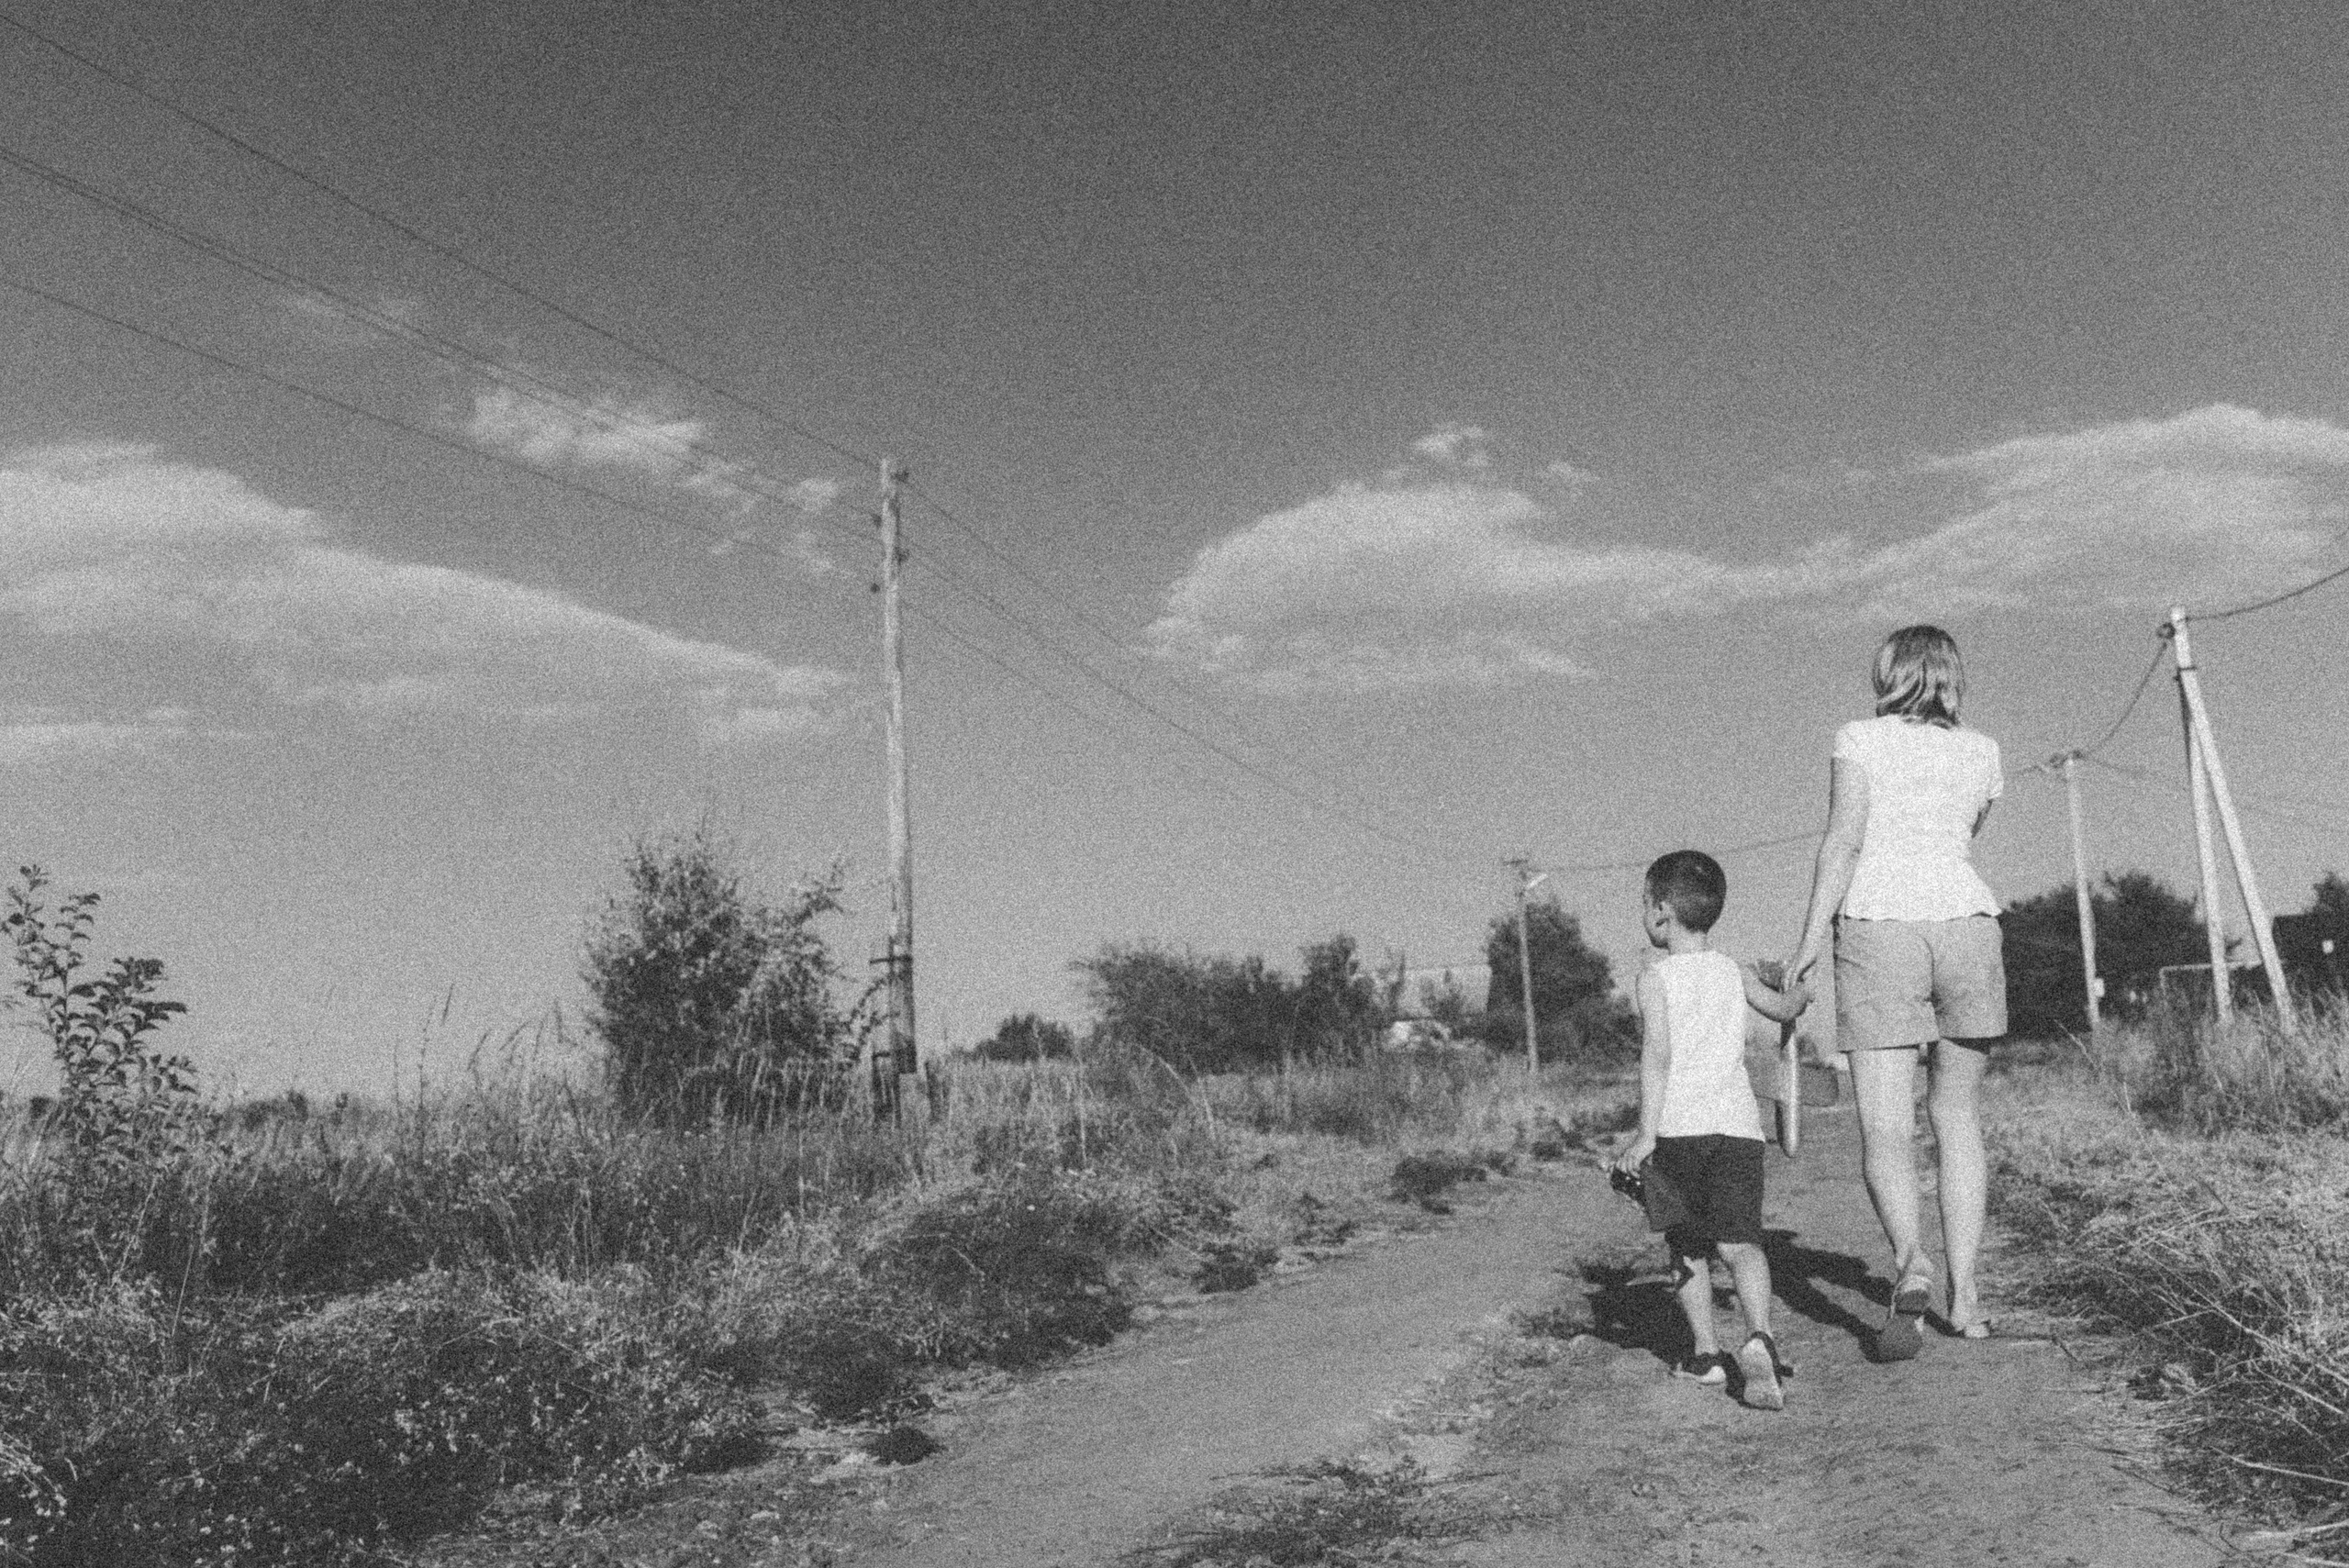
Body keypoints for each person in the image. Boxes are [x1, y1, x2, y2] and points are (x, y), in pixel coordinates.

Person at [1789, 625, 2007, 1360]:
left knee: (1885, 1124)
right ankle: (1967, 1295)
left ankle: (1912, 1257)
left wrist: (1809, 940)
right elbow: (1967, 831)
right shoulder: (1983, 750)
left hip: (1880, 924)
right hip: (1970, 924)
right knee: (1957, 1115)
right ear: (1952, 676)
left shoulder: (1859, 738)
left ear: (1887, 673)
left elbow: (1844, 842)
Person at [1612, 850, 1810, 1409]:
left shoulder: (1653, 979)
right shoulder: (1733, 970)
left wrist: (1646, 1134)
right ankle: (1760, 1335)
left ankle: (1705, 1355)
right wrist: (1802, 996)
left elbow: (1657, 1058)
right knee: (1742, 1243)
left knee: (1686, 1245)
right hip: (1738, 1130)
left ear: (1660, 912)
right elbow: (1782, 1007)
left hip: (1679, 1130)